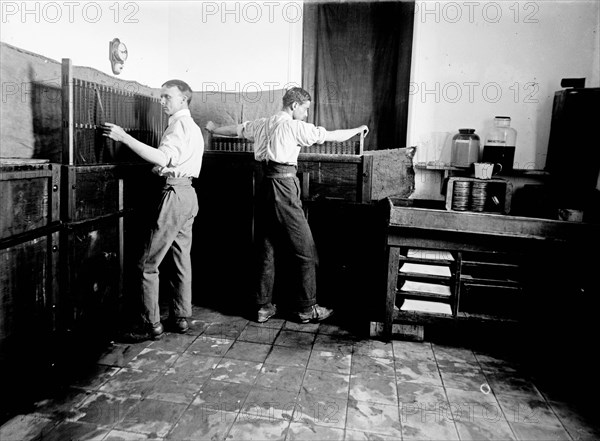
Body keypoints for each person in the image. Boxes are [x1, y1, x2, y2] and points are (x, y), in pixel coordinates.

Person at [206, 87, 368, 324]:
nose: (305, 114)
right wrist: (358, 130)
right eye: (305, 109)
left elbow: (237, 130)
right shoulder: (293, 127)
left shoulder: (262, 123)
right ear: (294, 106)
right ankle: (307, 307)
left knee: (267, 245)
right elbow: (330, 136)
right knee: (306, 248)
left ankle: (262, 306)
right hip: (283, 185)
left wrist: (212, 129)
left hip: (262, 185)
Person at [103, 79, 204, 340]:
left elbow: (164, 157)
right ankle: (181, 317)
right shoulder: (192, 127)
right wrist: (163, 168)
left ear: (183, 99)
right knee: (182, 258)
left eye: (167, 97)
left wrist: (124, 137)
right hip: (189, 194)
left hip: (173, 196)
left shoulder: (178, 126)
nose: (162, 101)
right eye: (161, 97)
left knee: (148, 263)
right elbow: (176, 161)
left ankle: (150, 325)